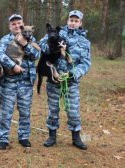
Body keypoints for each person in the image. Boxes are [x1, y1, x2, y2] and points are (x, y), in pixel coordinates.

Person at [39, 10, 91, 150]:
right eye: (71, 20)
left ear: (80, 23)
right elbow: (41, 45)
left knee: (73, 110)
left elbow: (86, 63)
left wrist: (73, 74)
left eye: (76, 21)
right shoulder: (58, 32)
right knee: (53, 109)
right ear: (67, 20)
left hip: (71, 82)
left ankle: (76, 137)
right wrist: (54, 48)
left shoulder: (84, 42)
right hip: (54, 80)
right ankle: (52, 136)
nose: (73, 23)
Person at [0, 14, 40, 150]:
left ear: (23, 24)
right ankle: (3, 139)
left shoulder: (30, 38)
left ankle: (24, 137)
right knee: (6, 112)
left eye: (18, 23)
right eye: (13, 24)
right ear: (9, 26)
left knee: (25, 111)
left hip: (26, 81)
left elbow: (36, 55)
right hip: (8, 81)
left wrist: (25, 44)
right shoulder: (5, 40)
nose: (16, 26)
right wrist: (12, 66)